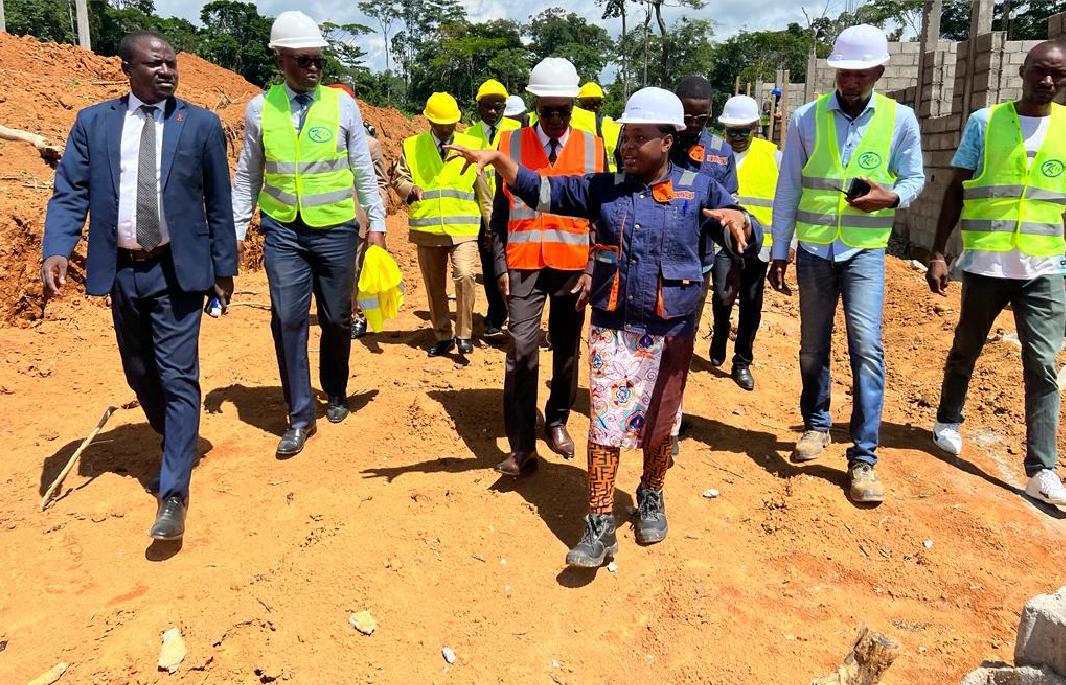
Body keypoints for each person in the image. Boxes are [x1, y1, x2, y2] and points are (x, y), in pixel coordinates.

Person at [447, 87, 761, 567]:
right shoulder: (603, 188)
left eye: (640, 138)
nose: (628, 146)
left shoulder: (699, 190)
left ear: (669, 140)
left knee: (661, 425)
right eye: (625, 137)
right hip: (614, 327)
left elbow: (737, 224)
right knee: (606, 425)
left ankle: (651, 493)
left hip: (671, 328)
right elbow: (542, 190)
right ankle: (598, 522)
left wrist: (743, 223)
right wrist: (499, 160)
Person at [41, 32, 237, 541]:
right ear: (126, 68)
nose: (167, 71)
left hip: (177, 270)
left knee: (177, 375)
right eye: (155, 64)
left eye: (172, 63)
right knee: (140, 371)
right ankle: (177, 432)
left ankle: (173, 491)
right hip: (122, 268)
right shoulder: (95, 123)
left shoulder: (200, 124)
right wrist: (58, 247)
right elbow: (70, 191)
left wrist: (223, 269)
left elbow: (219, 204)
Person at [768, 24, 925, 503]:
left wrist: (892, 196)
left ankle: (863, 458)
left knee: (867, 348)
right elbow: (789, 186)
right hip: (815, 250)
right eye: (844, 71)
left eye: (860, 71)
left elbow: (915, 177)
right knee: (812, 347)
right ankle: (816, 424)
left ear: (878, 70)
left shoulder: (900, 120)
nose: (850, 79)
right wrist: (779, 248)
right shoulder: (807, 118)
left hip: (864, 253)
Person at [231, 11, 387, 457]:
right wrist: (237, 229)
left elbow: (363, 170)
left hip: (337, 230)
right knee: (287, 321)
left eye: (318, 59)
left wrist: (375, 224)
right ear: (280, 60)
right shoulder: (260, 110)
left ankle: (335, 387)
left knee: (337, 319)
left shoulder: (343, 106)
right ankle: (299, 415)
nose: (313, 68)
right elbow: (248, 175)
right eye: (302, 60)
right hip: (282, 231)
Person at [926, 41, 1066, 505]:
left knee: (1043, 363)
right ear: (1023, 71)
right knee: (967, 346)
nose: (1048, 82)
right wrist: (939, 252)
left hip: (1044, 268)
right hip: (987, 265)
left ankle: (1042, 468)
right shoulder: (985, 122)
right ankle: (948, 418)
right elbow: (955, 189)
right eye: (1040, 72)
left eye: (1058, 75)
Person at [489, 57, 606, 475]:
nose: (555, 119)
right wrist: (500, 265)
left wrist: (593, 268)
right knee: (520, 348)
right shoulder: (511, 144)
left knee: (567, 350)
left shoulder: (594, 147)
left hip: (574, 266)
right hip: (523, 265)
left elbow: (602, 214)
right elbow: (500, 213)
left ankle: (556, 418)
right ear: (536, 105)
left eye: (564, 111)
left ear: (573, 107)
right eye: (547, 110)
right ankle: (522, 446)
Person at [391, 92, 491, 356]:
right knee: (434, 286)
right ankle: (443, 334)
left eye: (451, 124)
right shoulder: (412, 145)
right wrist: (409, 189)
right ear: (429, 121)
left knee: (466, 275)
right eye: (441, 124)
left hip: (464, 228)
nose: (446, 129)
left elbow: (483, 188)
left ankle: (465, 334)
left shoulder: (472, 144)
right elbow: (398, 176)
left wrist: (490, 224)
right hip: (428, 229)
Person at [710, 95, 784, 391]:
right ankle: (720, 329)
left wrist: (785, 245)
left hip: (759, 245)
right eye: (732, 131)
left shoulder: (773, 156)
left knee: (752, 303)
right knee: (723, 293)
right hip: (723, 242)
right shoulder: (714, 155)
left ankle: (742, 361)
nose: (738, 137)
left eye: (744, 130)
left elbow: (785, 202)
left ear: (756, 126)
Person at [670, 76, 737, 336]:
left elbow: (728, 206)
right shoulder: (658, 141)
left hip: (699, 258)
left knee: (687, 330)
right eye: (687, 117)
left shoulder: (721, 151)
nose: (694, 124)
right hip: (655, 253)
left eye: (702, 118)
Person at [324, 83, 391, 340]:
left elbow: (381, 183)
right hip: (328, 216)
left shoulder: (370, 145)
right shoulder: (320, 140)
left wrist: (377, 215)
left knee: (355, 270)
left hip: (358, 218)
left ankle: (357, 315)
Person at [466, 79, 521, 340]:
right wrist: (486, 224)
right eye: (486, 106)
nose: (491, 112)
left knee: (518, 266)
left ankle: (518, 316)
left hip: (515, 212)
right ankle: (495, 317)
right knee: (490, 268)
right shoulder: (469, 136)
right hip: (481, 214)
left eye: (497, 106)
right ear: (478, 106)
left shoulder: (518, 132)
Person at [572, 81, 621, 172]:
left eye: (595, 102)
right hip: (609, 179)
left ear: (579, 103)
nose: (592, 106)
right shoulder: (615, 126)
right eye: (589, 102)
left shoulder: (573, 122)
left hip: (587, 179)